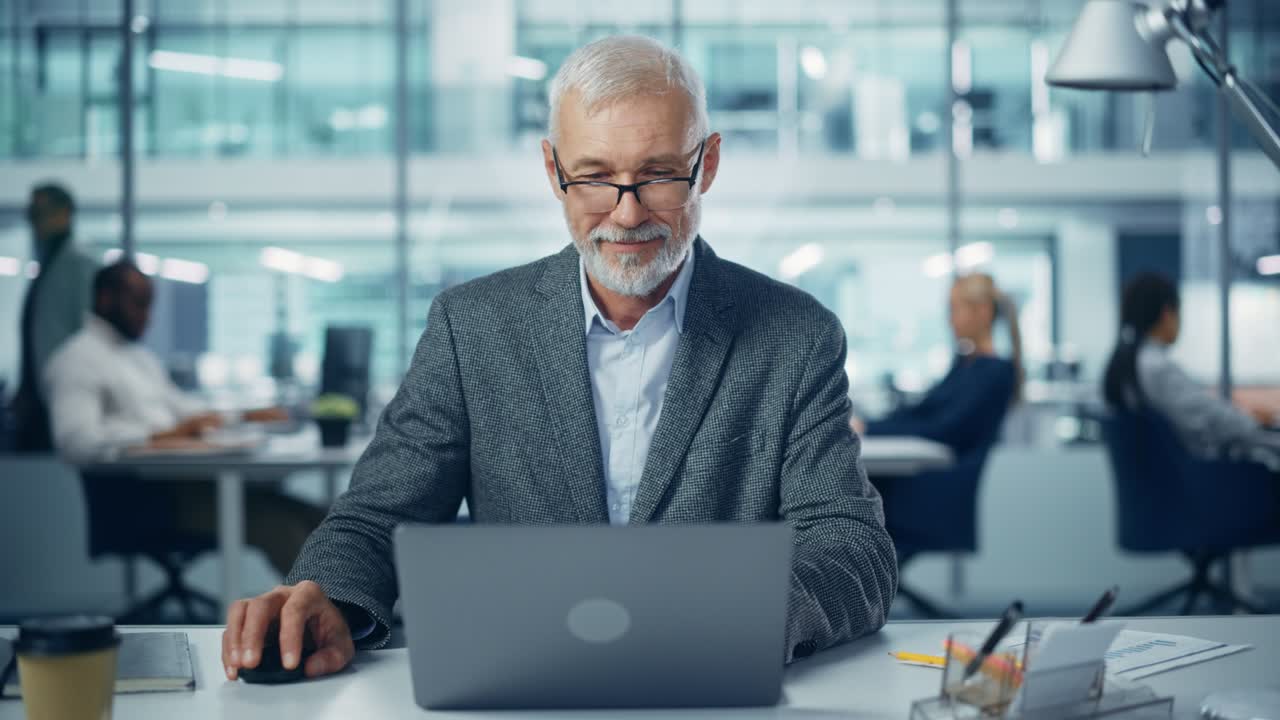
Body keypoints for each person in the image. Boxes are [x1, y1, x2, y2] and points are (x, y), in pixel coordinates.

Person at [222, 35, 897, 681]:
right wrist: (327, 597)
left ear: (707, 165)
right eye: (596, 177)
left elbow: (851, 546)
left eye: (659, 174)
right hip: (523, 684)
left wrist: (746, 616)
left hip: (719, 689)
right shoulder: (473, 327)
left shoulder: (795, 334)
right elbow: (376, 518)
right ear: (554, 172)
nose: (627, 214)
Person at [43, 260, 325, 576]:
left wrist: (246, 415)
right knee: (281, 527)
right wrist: (157, 437)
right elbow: (75, 443)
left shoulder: (138, 357)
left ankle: (365, 616)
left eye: (150, 306)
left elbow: (185, 412)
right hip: (146, 502)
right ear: (105, 298)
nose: (147, 318)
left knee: (319, 519)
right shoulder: (76, 360)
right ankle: (324, 620)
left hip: (190, 486)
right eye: (139, 305)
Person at [1102, 272, 1280, 470]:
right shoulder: (1156, 367)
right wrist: (1253, 422)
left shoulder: (1126, 363)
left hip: (1165, 481)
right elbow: (1212, 417)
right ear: (1167, 313)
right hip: (1201, 483)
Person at [852, 273, 1022, 456]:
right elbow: (920, 412)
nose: (950, 320)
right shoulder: (964, 364)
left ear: (983, 311)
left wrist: (869, 429)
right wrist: (865, 425)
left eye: (955, 310)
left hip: (948, 476)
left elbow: (942, 429)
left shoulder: (994, 372)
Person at [11, 183, 100, 452]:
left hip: (64, 394)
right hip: (39, 396)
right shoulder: (47, 263)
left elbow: (87, 332)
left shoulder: (79, 263)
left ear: (66, 213)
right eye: (33, 215)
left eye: (43, 213)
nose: (37, 222)